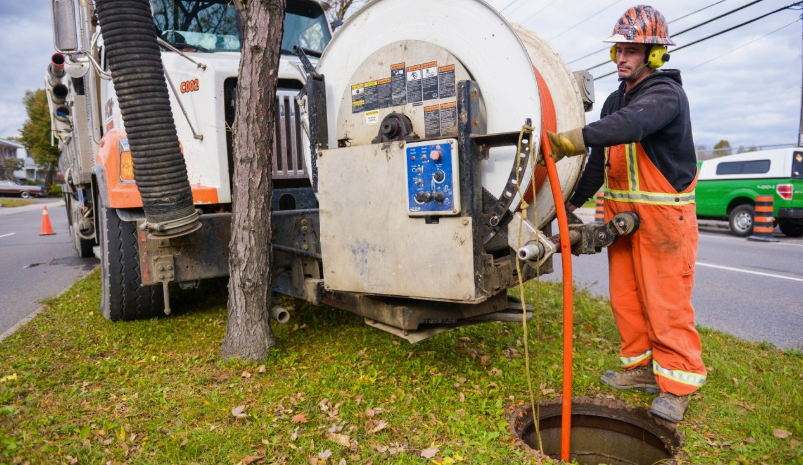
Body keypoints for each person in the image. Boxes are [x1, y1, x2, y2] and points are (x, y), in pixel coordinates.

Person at [547, 5, 705, 422]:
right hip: (624, 219)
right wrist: (569, 204)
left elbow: (633, 126)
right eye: (619, 49)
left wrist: (572, 139)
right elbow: (600, 162)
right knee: (628, 300)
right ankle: (642, 371)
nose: (622, 58)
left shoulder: (665, 95)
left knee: (667, 302)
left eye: (632, 50)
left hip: (664, 221)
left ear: (654, 54)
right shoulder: (616, 100)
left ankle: (679, 383)